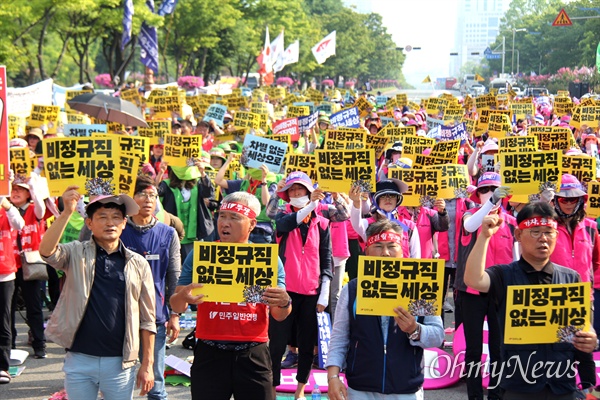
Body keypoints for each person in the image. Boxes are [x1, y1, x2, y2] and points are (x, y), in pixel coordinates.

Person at [464, 201, 598, 399]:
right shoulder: (504, 275)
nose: (543, 238)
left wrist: (591, 339)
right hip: (518, 386)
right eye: (535, 232)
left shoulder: (571, 278)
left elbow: (582, 327)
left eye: (548, 232)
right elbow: (474, 279)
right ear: (518, 235)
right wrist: (484, 236)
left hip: (563, 385)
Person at [170, 192, 292, 400]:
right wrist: (184, 296)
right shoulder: (202, 255)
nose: (225, 223)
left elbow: (280, 315)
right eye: (222, 216)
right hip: (210, 350)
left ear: (252, 224)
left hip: (254, 352)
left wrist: (285, 301)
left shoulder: (265, 259)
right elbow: (176, 305)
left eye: (234, 218)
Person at [39, 186, 156, 400]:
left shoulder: (138, 264)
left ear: (123, 223)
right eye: (102, 217)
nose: (109, 222)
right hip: (79, 358)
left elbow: (148, 320)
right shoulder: (75, 252)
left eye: (115, 217)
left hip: (120, 362)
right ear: (89, 223)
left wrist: (147, 365)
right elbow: (46, 251)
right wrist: (66, 212)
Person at [326, 220, 444, 400]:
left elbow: (437, 335)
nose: (385, 253)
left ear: (402, 250)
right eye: (378, 246)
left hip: (406, 388)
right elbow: (340, 337)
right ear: (366, 250)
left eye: (391, 246)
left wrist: (415, 330)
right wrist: (333, 376)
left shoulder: (420, 286)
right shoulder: (353, 289)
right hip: (361, 388)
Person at [266, 172, 336, 399]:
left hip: (310, 293)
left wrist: (324, 292)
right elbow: (286, 225)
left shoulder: (323, 223)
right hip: (284, 292)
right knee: (276, 343)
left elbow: (327, 260)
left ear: (308, 191)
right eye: (292, 190)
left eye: (301, 189)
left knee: (307, 343)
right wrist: (312, 205)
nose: (296, 193)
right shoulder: (282, 217)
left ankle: (301, 389)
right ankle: (273, 388)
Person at [120, 175, 182, 400]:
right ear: (130, 198)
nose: (148, 200)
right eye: (142, 194)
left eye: (153, 195)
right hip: (118, 315)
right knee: (118, 382)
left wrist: (174, 314)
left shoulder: (168, 233)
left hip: (154, 316)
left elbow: (173, 275)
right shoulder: (117, 228)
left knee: (155, 382)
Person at [454, 172, 514, 400]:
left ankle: (497, 395)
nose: (490, 193)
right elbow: (470, 226)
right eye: (484, 190)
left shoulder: (510, 222)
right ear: (477, 194)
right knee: (474, 349)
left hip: (501, 293)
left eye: (495, 190)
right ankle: (475, 396)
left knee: (499, 348)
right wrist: (491, 202)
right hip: (471, 292)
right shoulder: (469, 215)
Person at [9, 173, 48, 359]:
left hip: (31, 264)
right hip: (9, 265)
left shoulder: (34, 209)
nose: (15, 193)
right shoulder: (6, 210)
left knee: (34, 307)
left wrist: (32, 187)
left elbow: (41, 211)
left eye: (19, 190)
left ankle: (39, 345)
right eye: (13, 189)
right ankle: (9, 344)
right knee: (7, 307)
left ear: (27, 194)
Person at [158, 163, 215, 260]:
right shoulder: (166, 184)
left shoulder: (198, 183)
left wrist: (202, 173)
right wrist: (160, 173)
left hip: (193, 234)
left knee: (193, 263)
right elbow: (155, 193)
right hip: (173, 231)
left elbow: (208, 192)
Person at [0, 192, 25, 385]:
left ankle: (2, 366)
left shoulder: (7, 211)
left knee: (3, 319)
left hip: (4, 273)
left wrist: (6, 204)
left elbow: (20, 225)